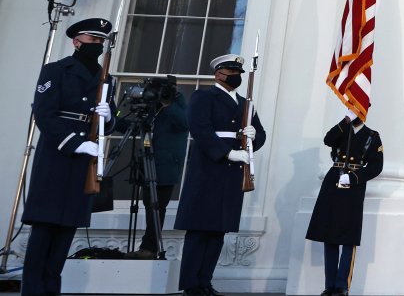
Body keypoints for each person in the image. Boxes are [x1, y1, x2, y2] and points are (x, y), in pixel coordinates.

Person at [21, 17, 115, 296]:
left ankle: (51, 291)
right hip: (57, 157)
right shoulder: (56, 71)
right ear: (76, 42)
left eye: (100, 41)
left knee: (65, 234)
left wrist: (109, 119)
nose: (96, 45)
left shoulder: (105, 77)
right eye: (92, 40)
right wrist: (75, 143)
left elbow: (110, 120)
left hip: (84, 162)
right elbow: (45, 114)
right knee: (44, 233)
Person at [175, 54, 266, 296]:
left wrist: (253, 136)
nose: (235, 76)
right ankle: (190, 284)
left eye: (238, 72)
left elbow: (261, 136)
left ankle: (205, 281)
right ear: (218, 74)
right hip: (208, 169)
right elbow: (201, 130)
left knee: (218, 230)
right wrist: (227, 153)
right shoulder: (204, 97)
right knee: (199, 229)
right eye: (230, 71)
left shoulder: (246, 104)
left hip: (231, 175)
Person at [305, 111, 384, 296]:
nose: (354, 112)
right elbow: (328, 140)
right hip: (333, 182)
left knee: (348, 236)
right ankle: (330, 285)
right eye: (351, 108)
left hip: (353, 186)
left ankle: (342, 285)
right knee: (329, 233)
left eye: (357, 109)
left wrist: (355, 178)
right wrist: (345, 120)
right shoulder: (343, 129)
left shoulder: (373, 136)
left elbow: (375, 166)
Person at [120, 86, 188, 259]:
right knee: (149, 203)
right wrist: (111, 120)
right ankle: (147, 246)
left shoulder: (177, 106)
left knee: (156, 207)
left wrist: (168, 103)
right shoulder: (152, 110)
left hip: (166, 166)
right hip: (147, 162)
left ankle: (150, 248)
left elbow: (185, 123)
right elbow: (136, 127)